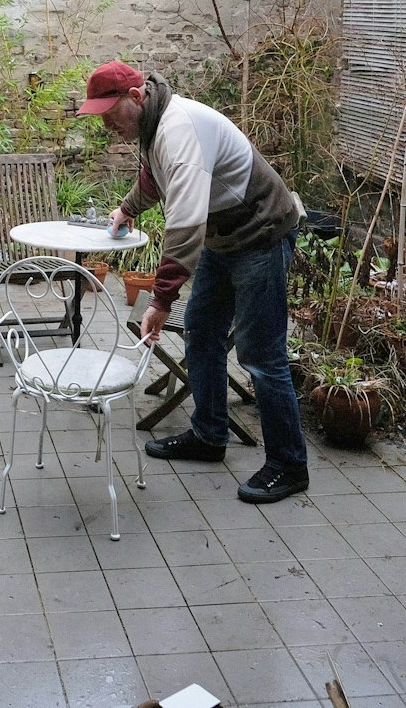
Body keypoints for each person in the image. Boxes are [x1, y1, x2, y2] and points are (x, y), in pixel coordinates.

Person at [77, 60, 310, 502]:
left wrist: (160, 300)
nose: (105, 122)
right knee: (202, 333)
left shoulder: (178, 129)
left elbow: (184, 225)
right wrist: (127, 210)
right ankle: (208, 435)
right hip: (226, 240)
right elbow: (154, 177)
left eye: (109, 111)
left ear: (135, 97)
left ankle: (289, 464)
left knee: (261, 355)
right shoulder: (154, 127)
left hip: (260, 234)